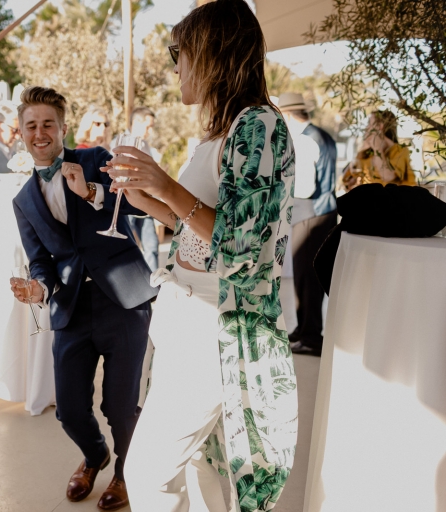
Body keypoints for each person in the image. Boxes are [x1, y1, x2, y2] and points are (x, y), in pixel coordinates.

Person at [103, 1, 298, 510]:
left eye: (178, 52)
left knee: (147, 472)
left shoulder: (259, 128)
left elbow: (243, 245)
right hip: (186, 314)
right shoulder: (217, 133)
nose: (175, 66)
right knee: (199, 471)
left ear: (213, 53)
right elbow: (198, 233)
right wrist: (150, 199)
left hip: (218, 324)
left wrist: (167, 185)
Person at [9, 86, 157, 511]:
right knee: (69, 408)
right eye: (31, 125)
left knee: (120, 403)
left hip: (123, 299)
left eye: (47, 124)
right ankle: (96, 456)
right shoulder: (22, 201)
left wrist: (91, 192)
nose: (40, 132)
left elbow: (138, 207)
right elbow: (40, 261)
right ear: (20, 132)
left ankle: (126, 472)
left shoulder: (94, 159)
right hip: (70, 307)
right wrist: (38, 288)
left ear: (63, 127)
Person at [279, 92, 338, 356]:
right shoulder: (321, 136)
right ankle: (304, 330)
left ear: (289, 115)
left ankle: (311, 336)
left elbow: (303, 186)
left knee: (307, 277)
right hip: (323, 212)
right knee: (307, 276)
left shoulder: (304, 141)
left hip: (309, 212)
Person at [114, 107, 161, 271]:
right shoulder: (119, 143)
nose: (150, 131)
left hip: (146, 202)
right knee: (129, 246)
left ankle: (154, 288)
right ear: (136, 123)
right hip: (127, 202)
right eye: (148, 126)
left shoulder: (146, 145)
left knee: (152, 246)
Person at [342, 109, 416, 190]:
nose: (366, 128)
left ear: (380, 126)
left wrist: (377, 149)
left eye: (369, 123)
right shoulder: (367, 152)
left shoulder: (400, 151)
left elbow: (389, 178)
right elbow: (346, 180)